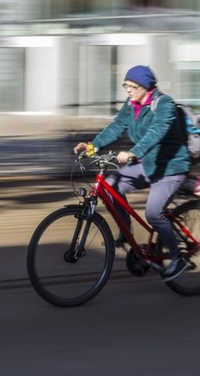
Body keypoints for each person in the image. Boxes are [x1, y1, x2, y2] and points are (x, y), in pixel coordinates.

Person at [73, 65, 192, 282]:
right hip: (147, 164)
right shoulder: (131, 104)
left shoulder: (164, 104)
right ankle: (126, 233)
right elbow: (117, 126)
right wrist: (93, 146)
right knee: (110, 187)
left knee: (153, 213)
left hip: (170, 168)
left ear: (146, 87)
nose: (128, 90)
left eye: (132, 86)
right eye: (125, 85)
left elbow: (157, 131)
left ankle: (178, 258)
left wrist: (133, 152)